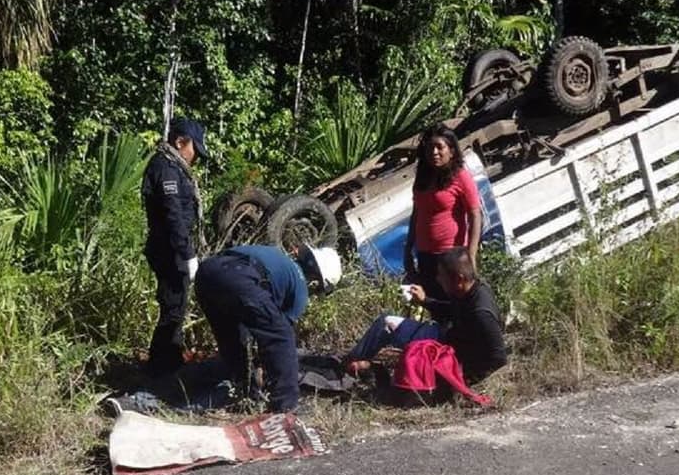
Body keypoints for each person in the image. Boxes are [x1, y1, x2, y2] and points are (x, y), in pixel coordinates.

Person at [194, 244, 342, 414]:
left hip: (207, 272)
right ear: (317, 281)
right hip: (240, 278)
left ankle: (243, 389)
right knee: (283, 337)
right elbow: (277, 337)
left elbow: (258, 323)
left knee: (232, 337)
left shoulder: (279, 258)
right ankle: (286, 404)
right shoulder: (300, 289)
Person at [345, 247, 507, 384]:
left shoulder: (481, 313)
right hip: (445, 338)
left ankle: (347, 366)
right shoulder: (473, 289)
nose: (438, 279)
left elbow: (498, 357)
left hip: (443, 352)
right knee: (390, 328)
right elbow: (453, 310)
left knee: (386, 323)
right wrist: (425, 301)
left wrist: (460, 378)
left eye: (442, 276)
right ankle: (360, 366)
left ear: (459, 279)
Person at [141, 116, 209, 375]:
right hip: (168, 249)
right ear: (181, 142)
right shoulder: (165, 168)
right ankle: (160, 368)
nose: (196, 157)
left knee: (176, 306)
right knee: (172, 308)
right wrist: (187, 253)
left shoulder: (173, 165)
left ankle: (172, 357)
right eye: (195, 150)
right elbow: (172, 216)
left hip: (173, 248)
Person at [403, 124, 483, 300]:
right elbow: (416, 214)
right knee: (433, 304)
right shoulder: (423, 178)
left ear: (452, 151)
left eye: (440, 147)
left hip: (450, 257)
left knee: (456, 306)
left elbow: (475, 215)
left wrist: (471, 255)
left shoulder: (461, 176)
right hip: (425, 255)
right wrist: (408, 248)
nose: (434, 152)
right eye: (430, 147)